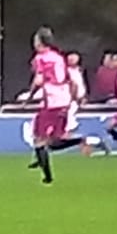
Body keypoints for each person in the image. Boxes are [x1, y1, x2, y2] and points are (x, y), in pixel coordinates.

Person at [17, 28, 82, 184]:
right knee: (49, 139)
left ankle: (48, 176)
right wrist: (73, 99)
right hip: (63, 98)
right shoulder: (58, 57)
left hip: (52, 101)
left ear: (39, 42)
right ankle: (46, 171)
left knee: (42, 140)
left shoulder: (41, 58)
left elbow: (38, 81)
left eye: (35, 40)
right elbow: (71, 80)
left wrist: (29, 97)